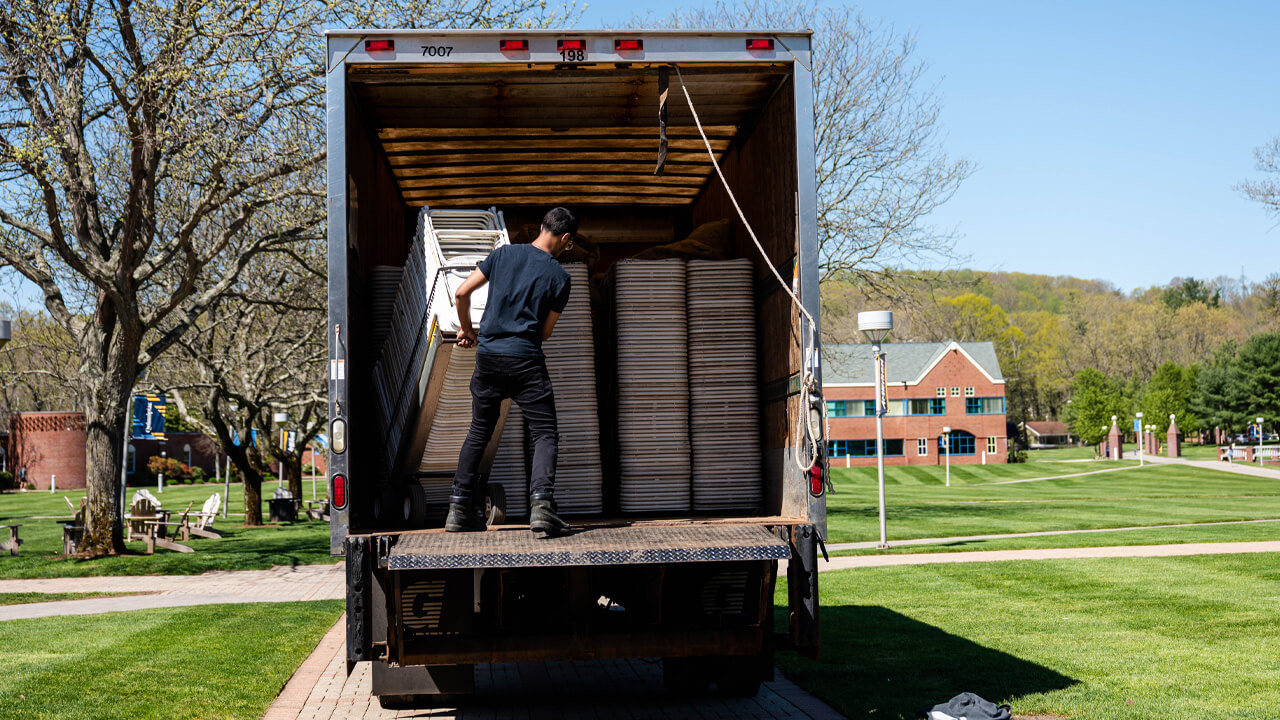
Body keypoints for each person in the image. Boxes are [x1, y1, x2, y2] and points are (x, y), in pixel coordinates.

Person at [448, 207, 577, 538]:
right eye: (569, 244)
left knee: (479, 431)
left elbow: (462, 293)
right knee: (545, 432)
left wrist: (467, 331)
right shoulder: (560, 278)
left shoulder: (503, 254)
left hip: (489, 359)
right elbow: (545, 333)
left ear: (541, 227)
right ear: (564, 238)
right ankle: (542, 508)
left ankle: (459, 509)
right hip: (525, 362)